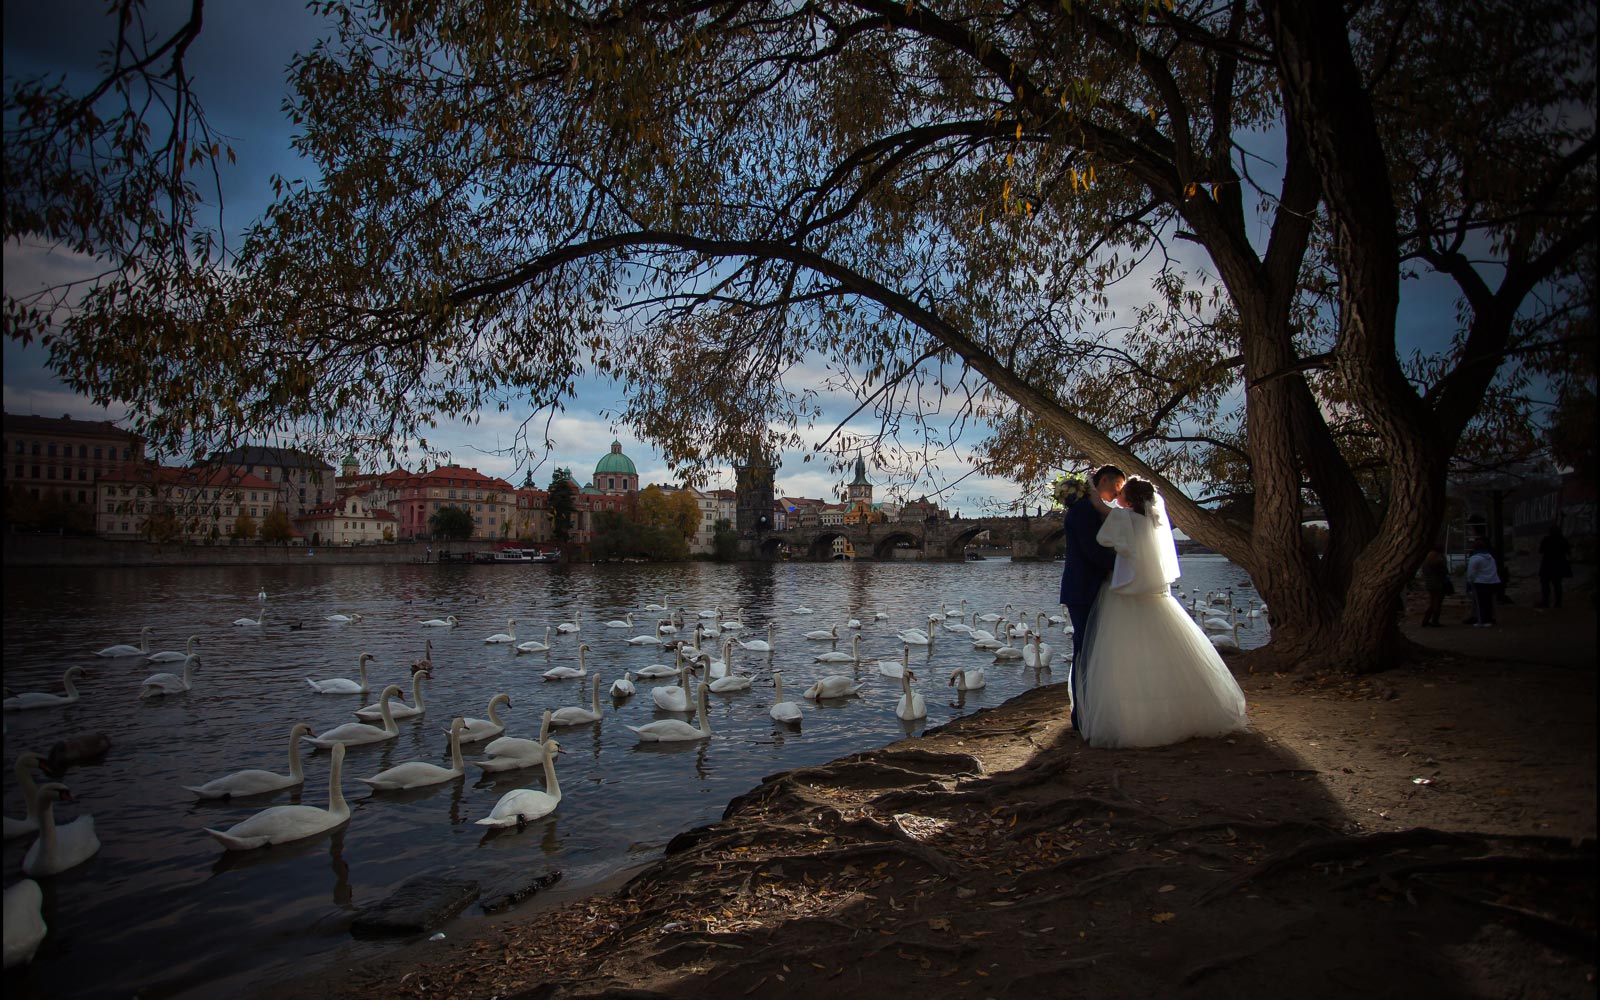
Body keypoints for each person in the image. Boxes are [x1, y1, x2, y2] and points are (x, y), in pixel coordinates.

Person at [1074, 478, 1248, 748]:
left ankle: (1134, 719)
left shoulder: (1124, 519)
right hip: (1155, 598)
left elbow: (1102, 532)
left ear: (1129, 500)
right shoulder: (1153, 524)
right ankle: (1185, 710)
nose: (1116, 495)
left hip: (1125, 596)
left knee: (1123, 655)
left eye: (1121, 493)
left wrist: (1091, 489)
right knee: (1164, 650)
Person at [1059, 465, 1123, 735]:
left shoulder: (1088, 507)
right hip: (1083, 590)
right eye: (1115, 489)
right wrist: (1127, 562)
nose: (1115, 496)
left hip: (1087, 588)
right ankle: (1083, 717)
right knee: (1085, 652)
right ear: (1104, 480)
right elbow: (1092, 553)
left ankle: (1091, 712)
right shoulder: (1084, 510)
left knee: (1091, 651)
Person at [1463, 538, 1500, 626]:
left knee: (1480, 603)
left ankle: (1482, 620)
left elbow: (1470, 573)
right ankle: (1489, 619)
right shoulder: (1490, 557)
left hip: (1480, 582)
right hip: (1492, 581)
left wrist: (1469, 584)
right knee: (1489, 602)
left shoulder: (1475, 558)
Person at [1537, 524, 1572, 609]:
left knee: (1545, 584)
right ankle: (1558, 603)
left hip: (1548, 565)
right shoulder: (1563, 540)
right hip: (1558, 565)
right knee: (1557, 584)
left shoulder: (1547, 540)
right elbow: (1568, 551)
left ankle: (1546, 602)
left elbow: (1540, 550)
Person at [1418, 544, 1451, 627]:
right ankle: (1435, 620)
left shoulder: (1427, 560)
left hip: (1429, 583)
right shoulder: (1439, 559)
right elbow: (1445, 571)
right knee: (1438, 603)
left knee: (1432, 602)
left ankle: (1426, 620)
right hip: (1439, 583)